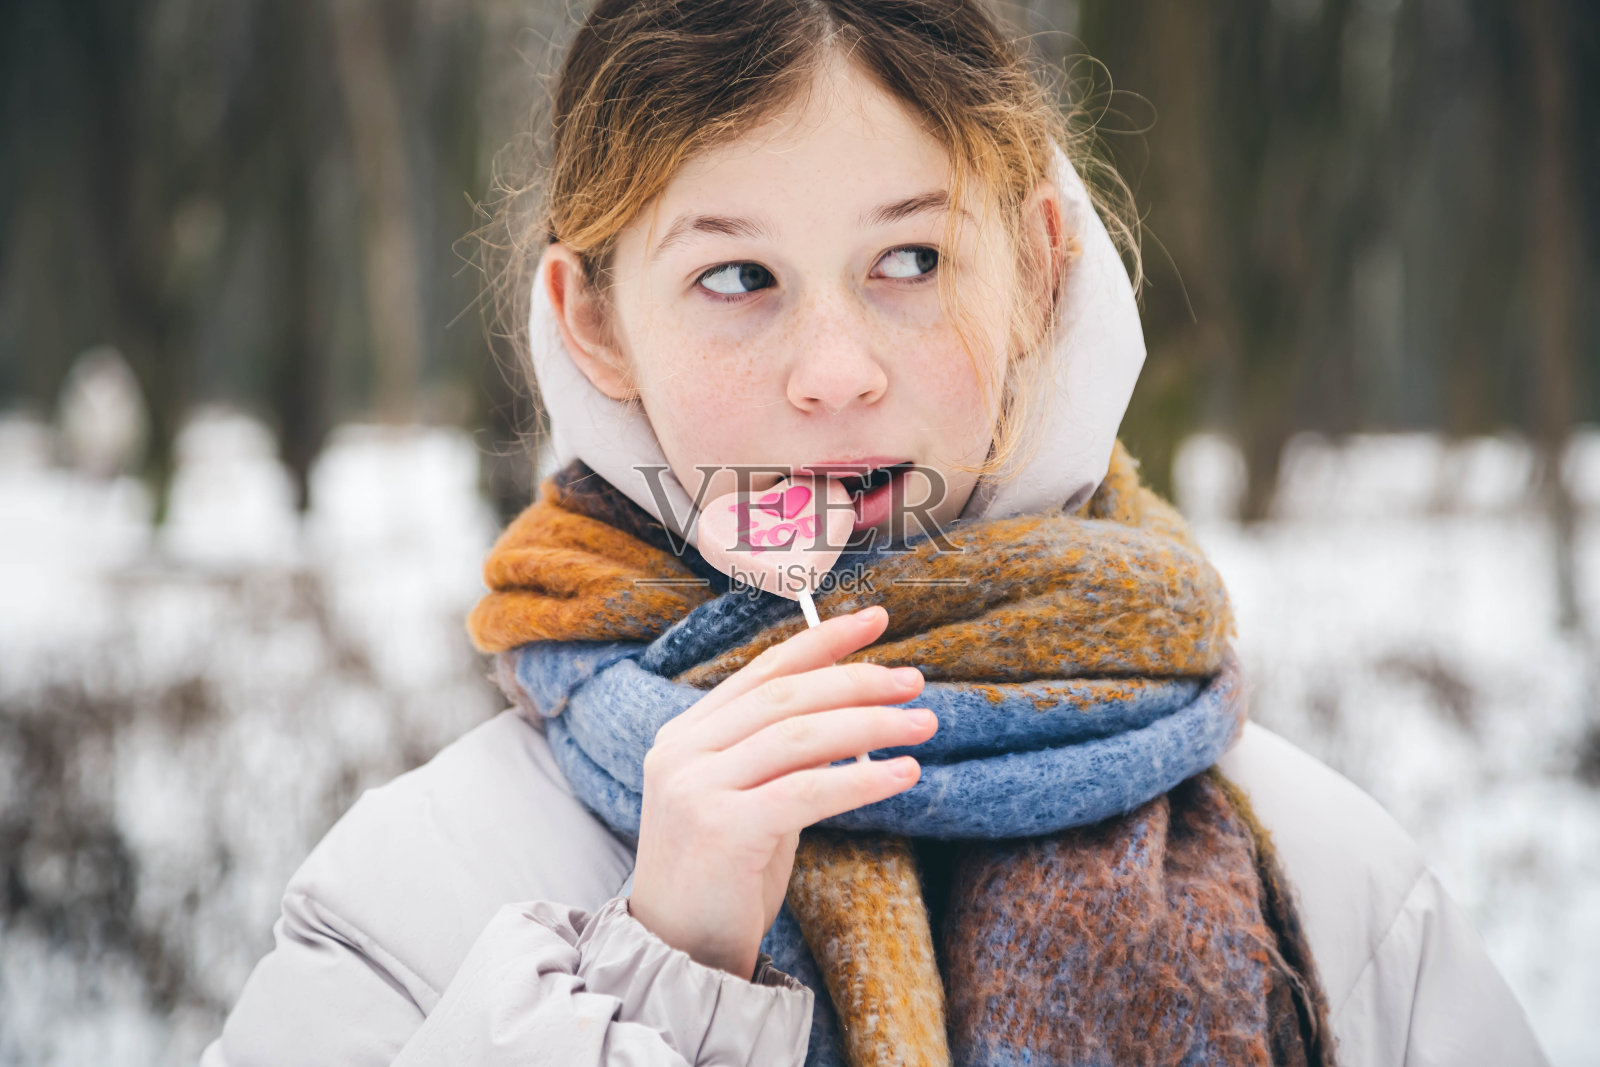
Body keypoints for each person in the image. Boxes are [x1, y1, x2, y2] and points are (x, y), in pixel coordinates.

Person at [200, 1, 1550, 1064]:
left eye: (910, 261)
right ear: (597, 321)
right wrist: (652, 983)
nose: (835, 371)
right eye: (738, 278)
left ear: (1037, 268)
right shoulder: (420, 898)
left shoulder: (1324, 887)